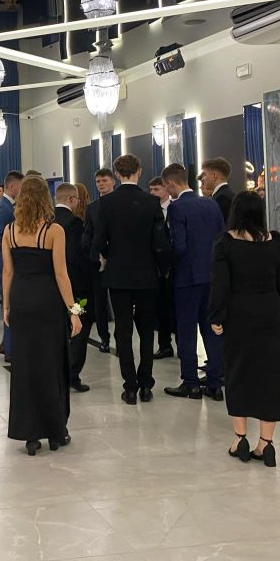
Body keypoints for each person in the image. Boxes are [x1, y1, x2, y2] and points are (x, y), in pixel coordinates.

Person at [209, 191, 280, 468]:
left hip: (239, 313)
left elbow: (220, 284)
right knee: (271, 374)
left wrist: (216, 316)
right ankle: (266, 444)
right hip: (270, 312)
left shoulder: (226, 243)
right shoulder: (275, 241)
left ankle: (240, 439)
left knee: (238, 371)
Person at [3, 176, 82, 455]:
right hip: (48, 301)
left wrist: (6, 307)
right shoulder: (54, 230)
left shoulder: (10, 230)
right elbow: (61, 274)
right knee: (52, 364)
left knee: (24, 366)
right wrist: (75, 311)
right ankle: (56, 431)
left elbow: (8, 272)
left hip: (21, 298)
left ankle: (30, 433)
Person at [94, 155, 170, 405]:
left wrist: (111, 256)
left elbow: (98, 240)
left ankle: (129, 386)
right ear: (139, 170)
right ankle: (146, 383)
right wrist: (162, 269)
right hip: (147, 275)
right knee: (147, 330)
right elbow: (161, 242)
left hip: (118, 275)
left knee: (123, 331)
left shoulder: (107, 203)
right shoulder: (151, 202)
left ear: (116, 174)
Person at [162, 162, 225, 401]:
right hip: (212, 276)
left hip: (187, 277)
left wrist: (168, 266)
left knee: (187, 331)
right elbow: (221, 239)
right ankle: (215, 383)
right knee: (212, 329)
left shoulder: (177, 208)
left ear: (170, 184)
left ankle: (190, 382)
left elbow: (179, 245)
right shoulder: (211, 204)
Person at [53, 183, 92, 393]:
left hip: (52, 287)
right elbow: (77, 256)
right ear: (71, 199)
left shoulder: (47, 221)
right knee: (78, 328)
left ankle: (55, 372)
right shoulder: (75, 223)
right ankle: (72, 373)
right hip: (76, 289)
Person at [82, 168, 115, 354]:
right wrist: (96, 255)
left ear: (113, 181)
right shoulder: (92, 207)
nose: (101, 184)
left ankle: (120, 337)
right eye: (98, 181)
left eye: (104, 180)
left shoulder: (120, 204)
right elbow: (88, 234)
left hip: (118, 260)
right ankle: (104, 338)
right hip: (98, 262)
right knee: (99, 303)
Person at [0, 171, 23, 361]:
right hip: (5, 264)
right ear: (12, 187)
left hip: (7, 263)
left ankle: (7, 344)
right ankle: (10, 350)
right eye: (20, 186)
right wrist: (14, 245)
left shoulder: (8, 205)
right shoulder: (3, 208)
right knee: (9, 307)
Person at [149, 177, 176, 360]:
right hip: (157, 268)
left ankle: (182, 345)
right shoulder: (150, 211)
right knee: (160, 308)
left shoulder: (176, 209)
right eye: (151, 190)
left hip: (175, 266)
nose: (153, 193)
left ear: (166, 189)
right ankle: (164, 345)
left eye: (157, 189)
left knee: (176, 308)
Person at [201, 157, 235, 224]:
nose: (203, 179)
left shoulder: (222, 198)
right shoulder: (228, 193)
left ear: (214, 175)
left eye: (205, 174)